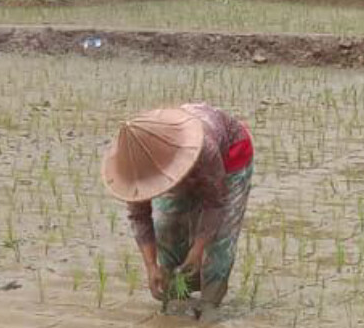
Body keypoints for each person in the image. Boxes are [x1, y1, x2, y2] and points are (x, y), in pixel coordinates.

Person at [102, 103, 255, 313]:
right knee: (167, 226)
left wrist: (198, 249)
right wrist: (151, 266)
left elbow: (214, 203)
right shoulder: (135, 165)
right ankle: (178, 291)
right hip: (176, 158)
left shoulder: (204, 149)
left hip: (229, 156)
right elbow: (139, 216)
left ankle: (210, 304)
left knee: (219, 240)